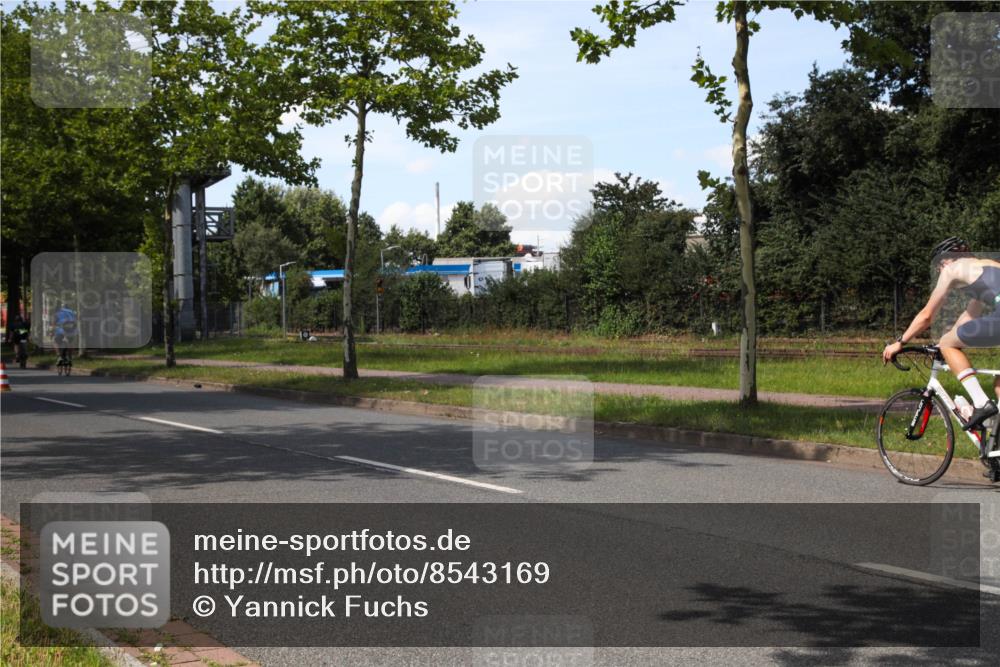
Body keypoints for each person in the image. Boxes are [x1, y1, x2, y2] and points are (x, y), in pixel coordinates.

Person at [883, 237, 1000, 431]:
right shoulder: (990, 266)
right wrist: (945, 342)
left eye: (938, 265)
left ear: (947, 259)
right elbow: (970, 316)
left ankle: (981, 403)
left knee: (947, 343)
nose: (939, 271)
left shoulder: (951, 269)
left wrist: (900, 342)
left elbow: (927, 315)